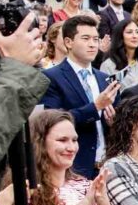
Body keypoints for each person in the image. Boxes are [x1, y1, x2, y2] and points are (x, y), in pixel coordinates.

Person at [38, 13, 119, 180]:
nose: (92, 44)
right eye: (86, 38)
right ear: (68, 42)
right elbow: (50, 123)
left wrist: (113, 123)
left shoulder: (104, 78)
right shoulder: (51, 77)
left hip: (107, 167)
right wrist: (95, 107)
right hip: (73, 168)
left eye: (96, 39)